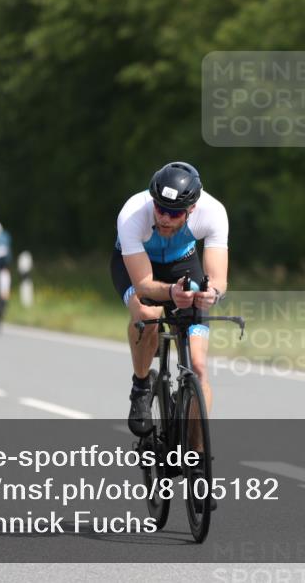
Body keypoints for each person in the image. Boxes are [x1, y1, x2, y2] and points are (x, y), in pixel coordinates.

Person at [111, 162, 228, 436]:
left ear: (191, 210)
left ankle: (196, 459)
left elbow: (218, 279)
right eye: (160, 208)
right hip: (136, 266)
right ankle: (141, 386)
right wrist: (172, 294)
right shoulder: (132, 214)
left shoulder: (213, 213)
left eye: (174, 213)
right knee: (147, 315)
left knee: (198, 367)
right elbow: (143, 284)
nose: (164, 218)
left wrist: (211, 294)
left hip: (183, 263)